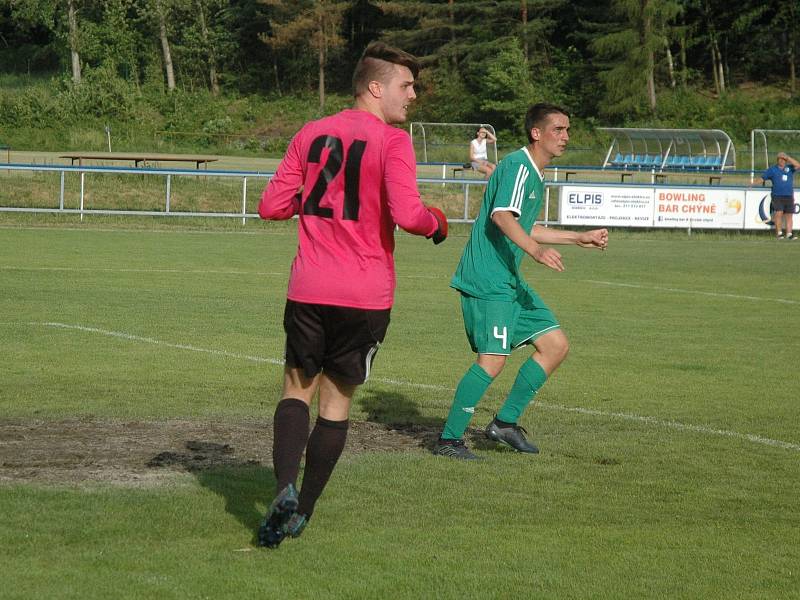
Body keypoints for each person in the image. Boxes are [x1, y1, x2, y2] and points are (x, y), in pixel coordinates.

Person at [256, 41, 448, 547]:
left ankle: (283, 489)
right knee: (336, 405)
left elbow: (271, 206)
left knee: (296, 389)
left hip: (310, 287)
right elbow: (409, 216)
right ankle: (305, 512)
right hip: (364, 295)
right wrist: (438, 223)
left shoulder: (310, 133)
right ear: (375, 86)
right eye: (406, 86)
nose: (413, 96)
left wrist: (319, 197)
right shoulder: (394, 142)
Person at [434, 103, 608, 460]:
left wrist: (577, 237)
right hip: (487, 278)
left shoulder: (534, 173)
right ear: (536, 133)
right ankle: (449, 440)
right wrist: (535, 251)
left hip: (508, 279)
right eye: (558, 129)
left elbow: (523, 225)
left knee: (555, 345)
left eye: (567, 130)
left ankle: (504, 424)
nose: (566, 136)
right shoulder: (517, 166)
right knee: (493, 359)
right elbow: (501, 217)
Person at [761, 152, 799, 240]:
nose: (782, 161)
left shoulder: (789, 168)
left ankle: (789, 233)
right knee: (779, 213)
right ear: (777, 160)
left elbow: (798, 165)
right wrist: (753, 183)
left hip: (788, 195)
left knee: (789, 215)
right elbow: (763, 178)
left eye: (784, 159)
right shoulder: (772, 169)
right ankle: (779, 233)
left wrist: (788, 157)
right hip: (777, 195)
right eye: (780, 159)